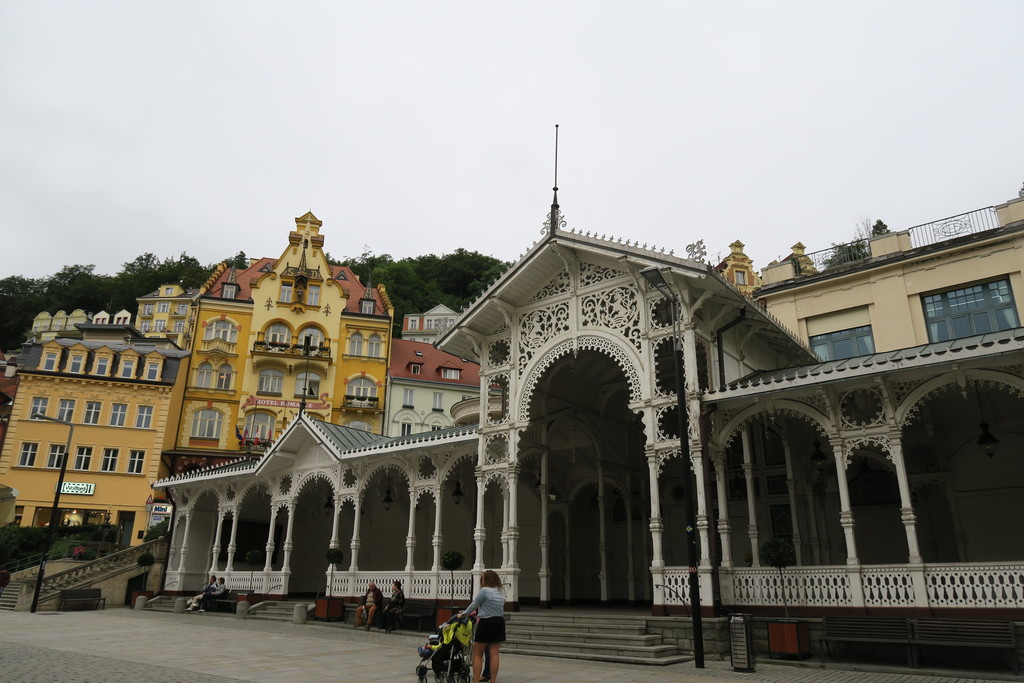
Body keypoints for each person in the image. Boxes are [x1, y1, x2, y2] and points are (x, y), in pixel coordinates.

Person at [458, 570, 505, 683]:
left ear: (486, 580)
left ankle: (476, 680)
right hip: (499, 622)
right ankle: (492, 681)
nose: (481, 581)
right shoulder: (501, 591)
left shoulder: (484, 591)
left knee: (477, 654)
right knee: (494, 653)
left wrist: (463, 614)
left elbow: (474, 605)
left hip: (486, 622)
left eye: (483, 579)